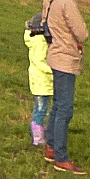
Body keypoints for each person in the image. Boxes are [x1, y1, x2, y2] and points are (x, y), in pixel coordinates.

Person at [41, 0, 90, 174]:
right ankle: (61, 157)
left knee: (58, 104)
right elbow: (82, 33)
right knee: (65, 109)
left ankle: (50, 146)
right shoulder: (67, 2)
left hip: (54, 55)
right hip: (65, 59)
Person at [24, 17, 52, 146]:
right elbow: (40, 62)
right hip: (42, 81)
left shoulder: (34, 39)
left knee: (40, 108)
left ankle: (39, 130)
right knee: (41, 109)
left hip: (39, 80)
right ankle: (38, 137)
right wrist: (54, 71)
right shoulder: (40, 42)